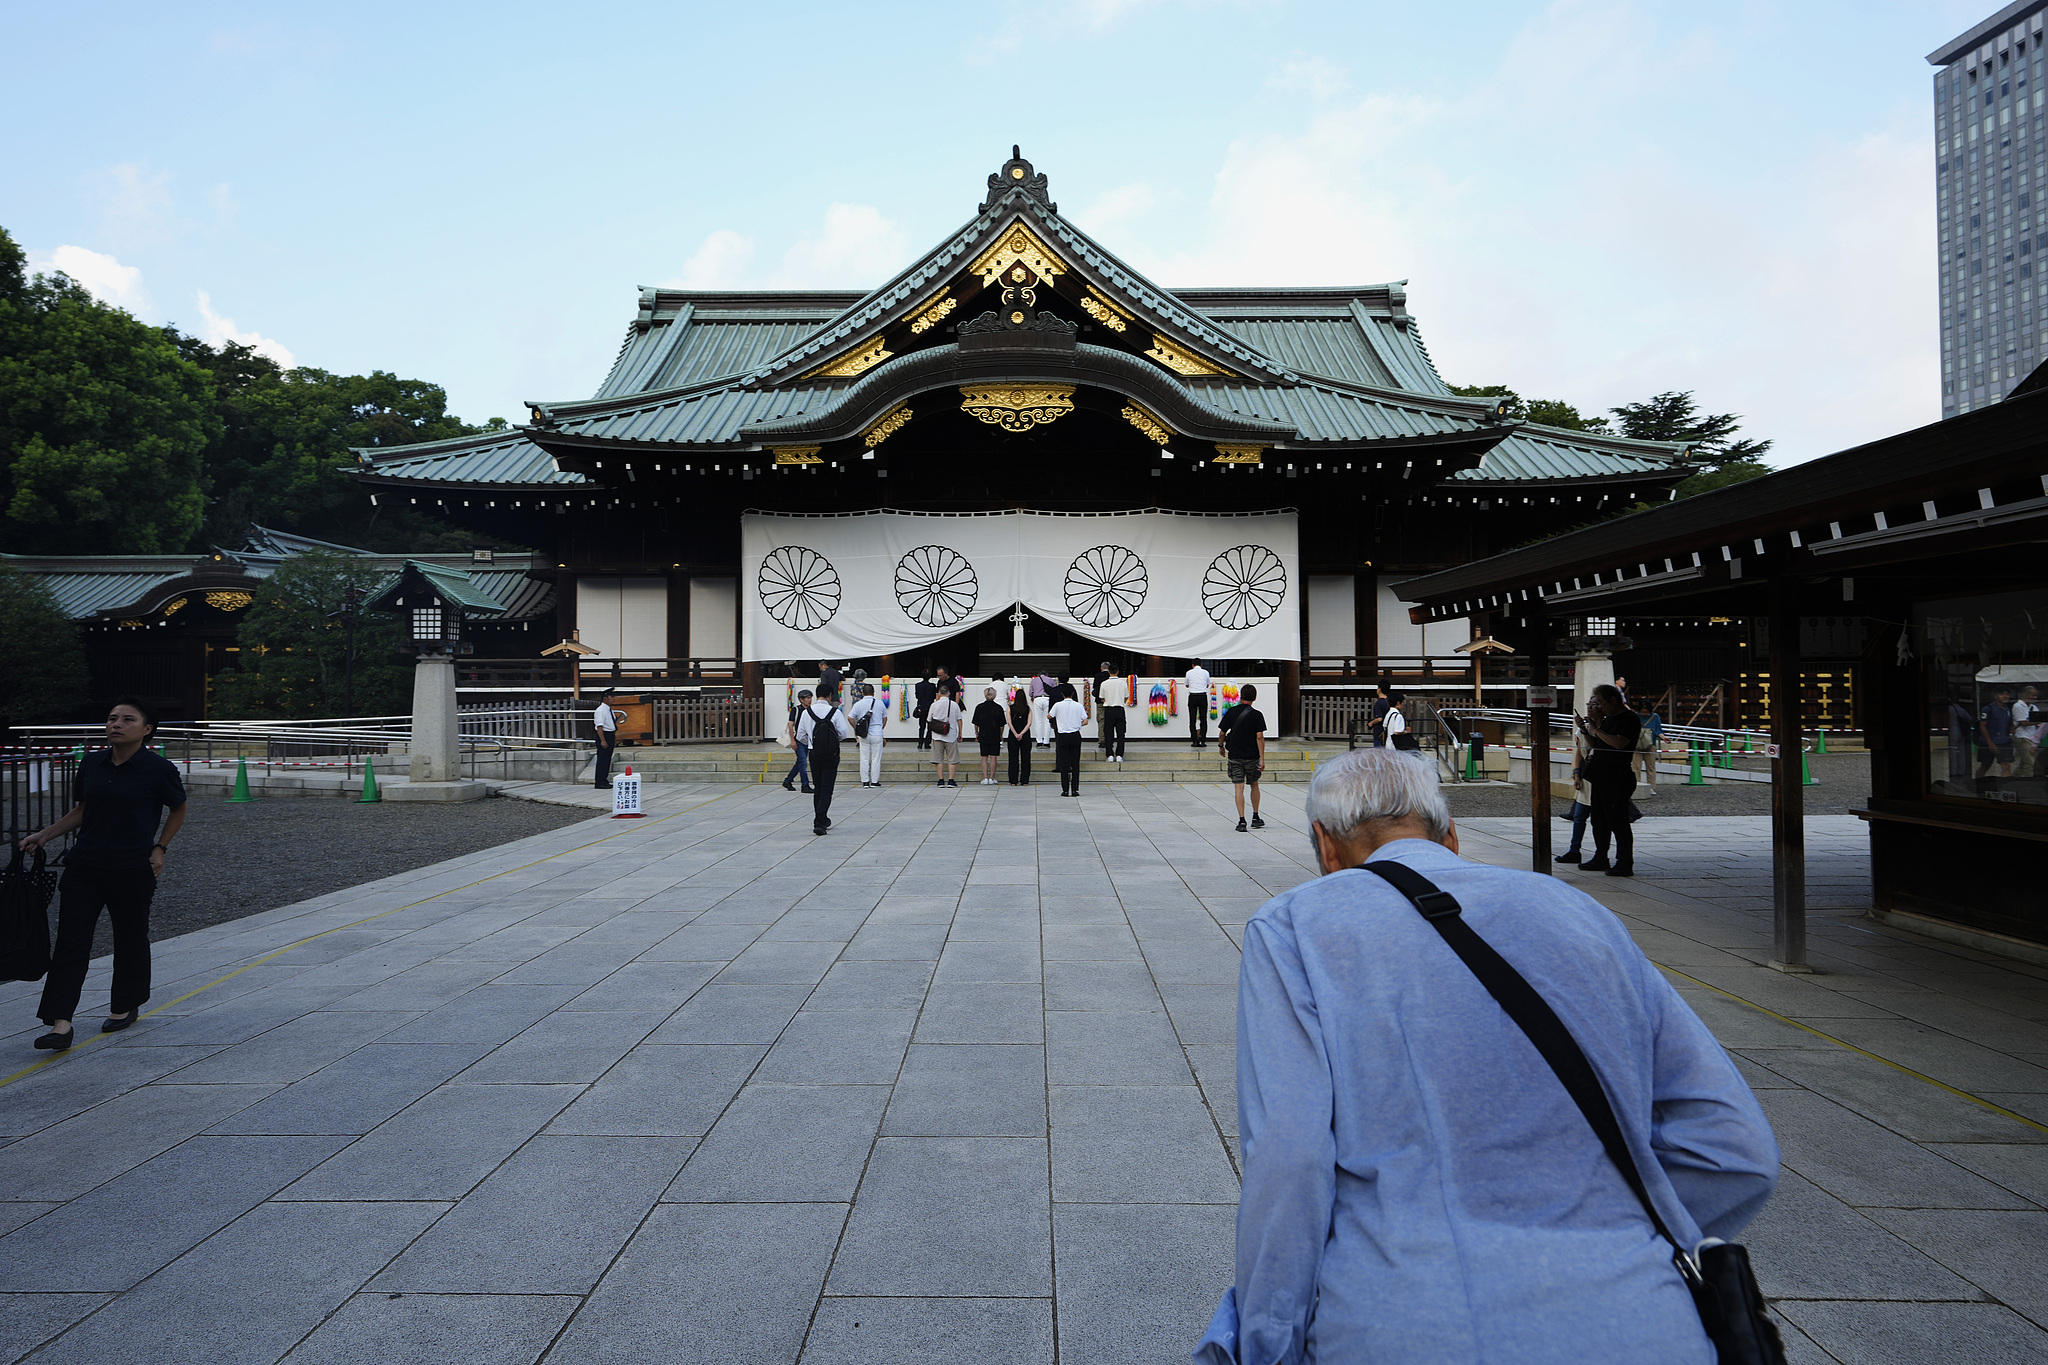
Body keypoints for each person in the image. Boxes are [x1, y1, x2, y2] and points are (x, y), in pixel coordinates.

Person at [1228, 746, 1778, 1365]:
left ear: (1325, 847)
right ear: (1451, 836)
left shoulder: (1293, 928)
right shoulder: (1580, 912)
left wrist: (1265, 1341)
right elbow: (1737, 1150)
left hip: (1406, 1320)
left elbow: (1290, 1155)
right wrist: (1610, 1228)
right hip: (1647, 1323)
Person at [21, 697, 189, 1051]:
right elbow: (82, 809)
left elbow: (178, 807)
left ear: (146, 730)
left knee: (129, 937)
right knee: (71, 941)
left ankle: (125, 1004)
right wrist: (45, 834)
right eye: (112, 718)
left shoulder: (158, 769)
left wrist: (160, 848)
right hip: (85, 864)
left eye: (127, 719)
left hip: (132, 867)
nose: (116, 724)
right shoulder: (92, 764)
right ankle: (60, 1023)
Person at [1574, 682, 1641, 876]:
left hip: (1617, 775)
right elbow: (1596, 744)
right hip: (1601, 775)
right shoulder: (1609, 719)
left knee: (1618, 820)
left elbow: (1619, 743)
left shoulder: (1629, 718)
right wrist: (1587, 730)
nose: (1599, 707)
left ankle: (1624, 861)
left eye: (1601, 703)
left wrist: (1597, 730)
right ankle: (1601, 856)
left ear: (1613, 700)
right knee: (1599, 819)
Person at [794, 689, 854, 834]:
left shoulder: (807, 713)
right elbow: (844, 733)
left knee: (818, 788)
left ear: (816, 695)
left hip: (814, 753)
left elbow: (800, 735)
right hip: (831, 754)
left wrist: (811, 742)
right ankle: (820, 821)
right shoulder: (835, 712)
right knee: (827, 789)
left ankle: (820, 818)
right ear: (829, 695)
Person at [1219, 682, 1267, 832]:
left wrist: (1221, 746)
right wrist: (1262, 758)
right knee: (1254, 784)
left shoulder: (1231, 712)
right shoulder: (1257, 715)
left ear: (1241, 696)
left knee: (1238, 787)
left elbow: (1222, 733)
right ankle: (1255, 816)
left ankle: (1241, 821)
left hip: (1235, 755)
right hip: (1252, 756)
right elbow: (1260, 737)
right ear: (1255, 697)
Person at [1554, 727, 1595, 865]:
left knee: (1599, 821)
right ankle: (1574, 850)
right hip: (1585, 773)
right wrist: (1576, 773)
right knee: (1578, 816)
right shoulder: (1584, 727)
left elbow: (1595, 744)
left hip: (1600, 774)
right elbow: (1579, 752)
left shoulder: (1604, 727)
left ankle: (1601, 854)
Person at [1051, 682, 1088, 796]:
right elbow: (1085, 720)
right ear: (1072, 693)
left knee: (1064, 763)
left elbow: (1049, 715)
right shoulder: (1078, 705)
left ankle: (1065, 789)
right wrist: (1077, 725)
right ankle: (1075, 789)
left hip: (1062, 736)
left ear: (1062, 694)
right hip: (1075, 735)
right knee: (1075, 763)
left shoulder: (1057, 705)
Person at [850, 683, 887, 787]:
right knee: (876, 759)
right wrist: (880, 728)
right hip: (877, 733)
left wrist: (857, 728)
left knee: (864, 758)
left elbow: (850, 717)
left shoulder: (858, 704)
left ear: (863, 693)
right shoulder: (880, 703)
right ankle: (875, 781)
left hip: (863, 735)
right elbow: (885, 718)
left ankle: (865, 781)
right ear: (873, 692)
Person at [927, 687, 964, 788]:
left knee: (938, 759)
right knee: (952, 758)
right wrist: (960, 733)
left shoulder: (934, 705)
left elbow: (929, 719)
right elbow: (959, 720)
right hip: (951, 735)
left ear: (938, 693)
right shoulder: (954, 705)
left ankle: (941, 780)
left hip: (937, 735)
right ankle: (951, 780)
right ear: (949, 693)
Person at [1977, 685, 2017, 780]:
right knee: (1985, 766)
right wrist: (1989, 742)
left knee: (2006, 765)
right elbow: (1982, 725)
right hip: (1989, 742)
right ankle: (1977, 785)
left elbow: (2011, 723)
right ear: (1996, 696)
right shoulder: (1988, 709)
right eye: (2002, 694)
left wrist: (2011, 734)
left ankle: (2004, 787)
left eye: (2007, 694)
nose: (2005, 696)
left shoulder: (2007, 709)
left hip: (2004, 742)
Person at [781, 688, 815, 793]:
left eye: (810, 698)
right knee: (803, 762)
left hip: (807, 740)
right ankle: (805, 785)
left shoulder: (811, 710)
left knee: (800, 762)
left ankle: (788, 780)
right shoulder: (796, 710)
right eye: (807, 698)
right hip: (798, 739)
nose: (809, 700)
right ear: (801, 699)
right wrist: (792, 740)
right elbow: (791, 725)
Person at [973, 687, 1007, 785]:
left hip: (983, 734)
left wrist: (977, 733)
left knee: (984, 756)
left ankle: (985, 778)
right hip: (995, 734)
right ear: (994, 695)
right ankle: (992, 777)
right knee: (993, 756)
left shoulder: (979, 707)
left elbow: (976, 723)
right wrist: (1001, 734)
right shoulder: (998, 708)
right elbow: (1002, 725)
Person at [1633, 697, 1664, 796]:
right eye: (1643, 712)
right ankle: (1636, 786)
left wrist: (1663, 737)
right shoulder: (1634, 716)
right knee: (1635, 767)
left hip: (1650, 745)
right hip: (1636, 745)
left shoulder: (1655, 717)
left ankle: (1651, 787)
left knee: (1651, 767)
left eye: (1646, 712)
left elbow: (1658, 730)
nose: (1644, 714)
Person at [1098, 666, 1129, 763]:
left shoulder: (1104, 683)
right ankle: (1119, 755)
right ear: (1118, 671)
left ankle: (1110, 755)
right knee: (1121, 733)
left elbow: (1102, 698)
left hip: (1109, 709)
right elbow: (1126, 697)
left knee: (1108, 733)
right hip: (1120, 709)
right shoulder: (1123, 683)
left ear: (1109, 672)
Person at [1006, 687, 1034, 786]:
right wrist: (1022, 733)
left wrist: (1016, 734)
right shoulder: (1028, 709)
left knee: (1013, 758)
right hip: (1025, 736)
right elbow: (1029, 723)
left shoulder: (1010, 708)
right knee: (1026, 758)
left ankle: (1013, 781)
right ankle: (1024, 780)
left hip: (1013, 736)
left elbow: (1009, 723)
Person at [2015, 684, 2045, 778]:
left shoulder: (2033, 707)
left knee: (2023, 764)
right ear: (2026, 695)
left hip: (2031, 736)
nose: (2034, 698)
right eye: (2033, 695)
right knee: (2030, 764)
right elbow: (2023, 722)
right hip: (2022, 737)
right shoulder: (2018, 706)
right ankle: (2029, 784)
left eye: (2035, 696)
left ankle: (2012, 778)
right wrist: (2037, 721)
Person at [592, 688, 619, 789]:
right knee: (602, 759)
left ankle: (604, 780)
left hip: (610, 734)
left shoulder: (609, 709)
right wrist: (603, 740)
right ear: (605, 698)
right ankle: (599, 781)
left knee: (607, 759)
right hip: (604, 735)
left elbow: (611, 725)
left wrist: (614, 738)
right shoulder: (601, 710)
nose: (613, 699)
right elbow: (600, 727)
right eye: (611, 697)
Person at [1186, 660, 1212, 749]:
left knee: (1192, 720)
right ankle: (1203, 740)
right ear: (1201, 664)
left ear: (1192, 665)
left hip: (1192, 696)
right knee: (1203, 719)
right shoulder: (1206, 672)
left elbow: (1187, 684)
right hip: (1202, 696)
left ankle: (1194, 740)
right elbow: (1208, 684)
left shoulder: (1189, 673)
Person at [1030, 670, 1055, 748]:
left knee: (1038, 721)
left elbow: (1030, 693)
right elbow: (1054, 691)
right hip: (1048, 699)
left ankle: (1039, 741)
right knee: (1047, 721)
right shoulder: (1051, 680)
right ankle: (1046, 742)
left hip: (1037, 699)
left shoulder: (1034, 680)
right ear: (1047, 675)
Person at [914, 670, 937, 750]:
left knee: (921, 726)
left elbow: (917, 696)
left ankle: (920, 743)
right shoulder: (932, 686)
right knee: (930, 727)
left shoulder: (918, 685)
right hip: (930, 707)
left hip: (921, 707)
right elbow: (934, 696)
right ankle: (927, 743)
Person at [1370, 680, 1392, 748]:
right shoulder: (1389, 701)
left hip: (1379, 730)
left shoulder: (1379, 702)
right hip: (1388, 729)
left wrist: (1371, 723)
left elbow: (1379, 718)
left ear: (1379, 690)